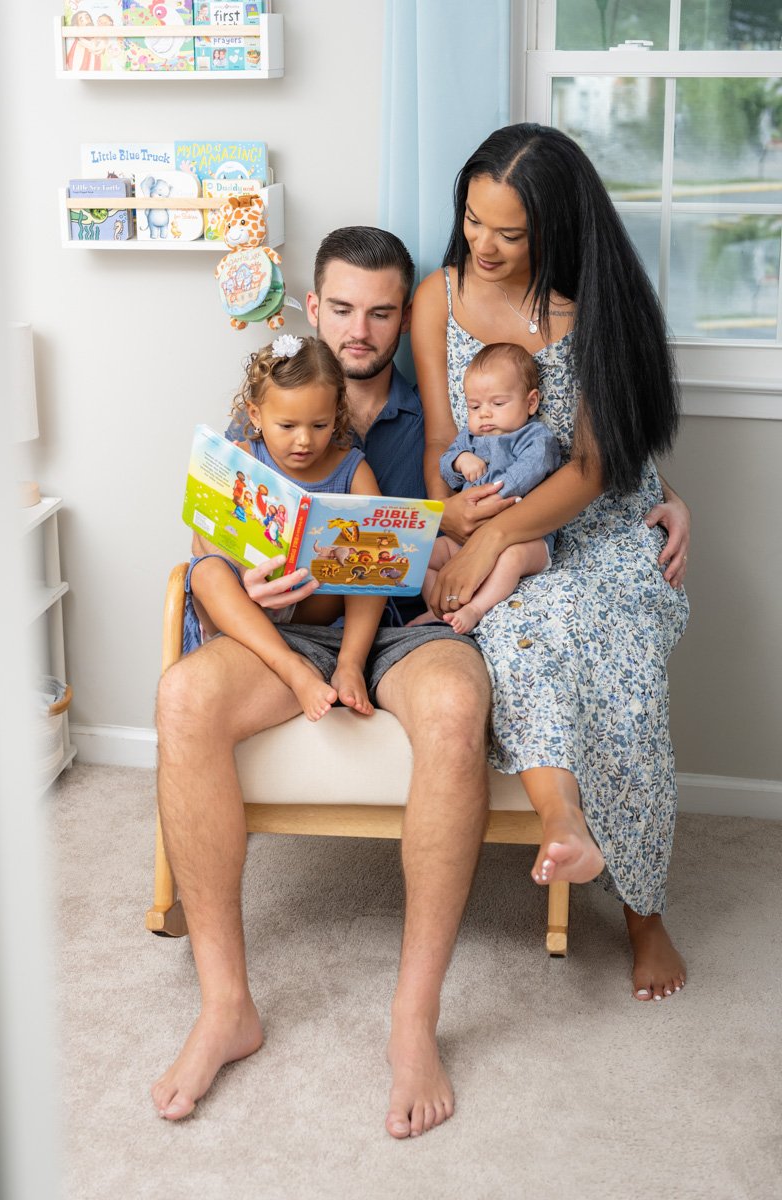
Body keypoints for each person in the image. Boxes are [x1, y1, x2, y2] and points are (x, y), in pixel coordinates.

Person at [152, 227, 493, 1139]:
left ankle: (413, 1022)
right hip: (286, 634)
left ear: (406, 316)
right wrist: (253, 589)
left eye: (384, 312)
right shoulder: (259, 411)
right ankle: (227, 1007)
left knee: (459, 708)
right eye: (343, 307)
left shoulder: (444, 417)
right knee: (184, 695)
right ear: (313, 305)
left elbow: (539, 476)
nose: (361, 328)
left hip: (397, 633)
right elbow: (209, 555)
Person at [411, 123, 691, 1003]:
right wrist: (459, 515)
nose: (483, 247)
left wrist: (496, 538)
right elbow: (442, 442)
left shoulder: (591, 309)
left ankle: (645, 912)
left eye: (510, 232)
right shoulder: (438, 297)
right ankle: (565, 821)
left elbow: (596, 467)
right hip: (495, 526)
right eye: (473, 222)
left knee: (615, 659)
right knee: (526, 624)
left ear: (556, 231)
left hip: (600, 527)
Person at [186, 335, 387, 722]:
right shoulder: (243, 457)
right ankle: (291, 668)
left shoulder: (353, 469)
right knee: (207, 571)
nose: (304, 439)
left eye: (319, 424)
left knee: (372, 569)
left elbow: (378, 561)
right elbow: (204, 540)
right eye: (287, 425)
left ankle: (349, 664)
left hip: (312, 606)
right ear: (256, 415)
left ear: (338, 413)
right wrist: (242, 574)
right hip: (247, 603)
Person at [423, 340, 561, 634]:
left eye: (497, 404)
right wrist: (461, 460)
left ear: (531, 402)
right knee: (423, 556)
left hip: (524, 537)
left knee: (511, 558)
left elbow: (531, 469)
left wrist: (494, 495)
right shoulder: (469, 439)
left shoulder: (534, 436)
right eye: (474, 406)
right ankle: (437, 610)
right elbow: (445, 463)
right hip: (467, 536)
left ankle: (475, 608)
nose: (484, 414)